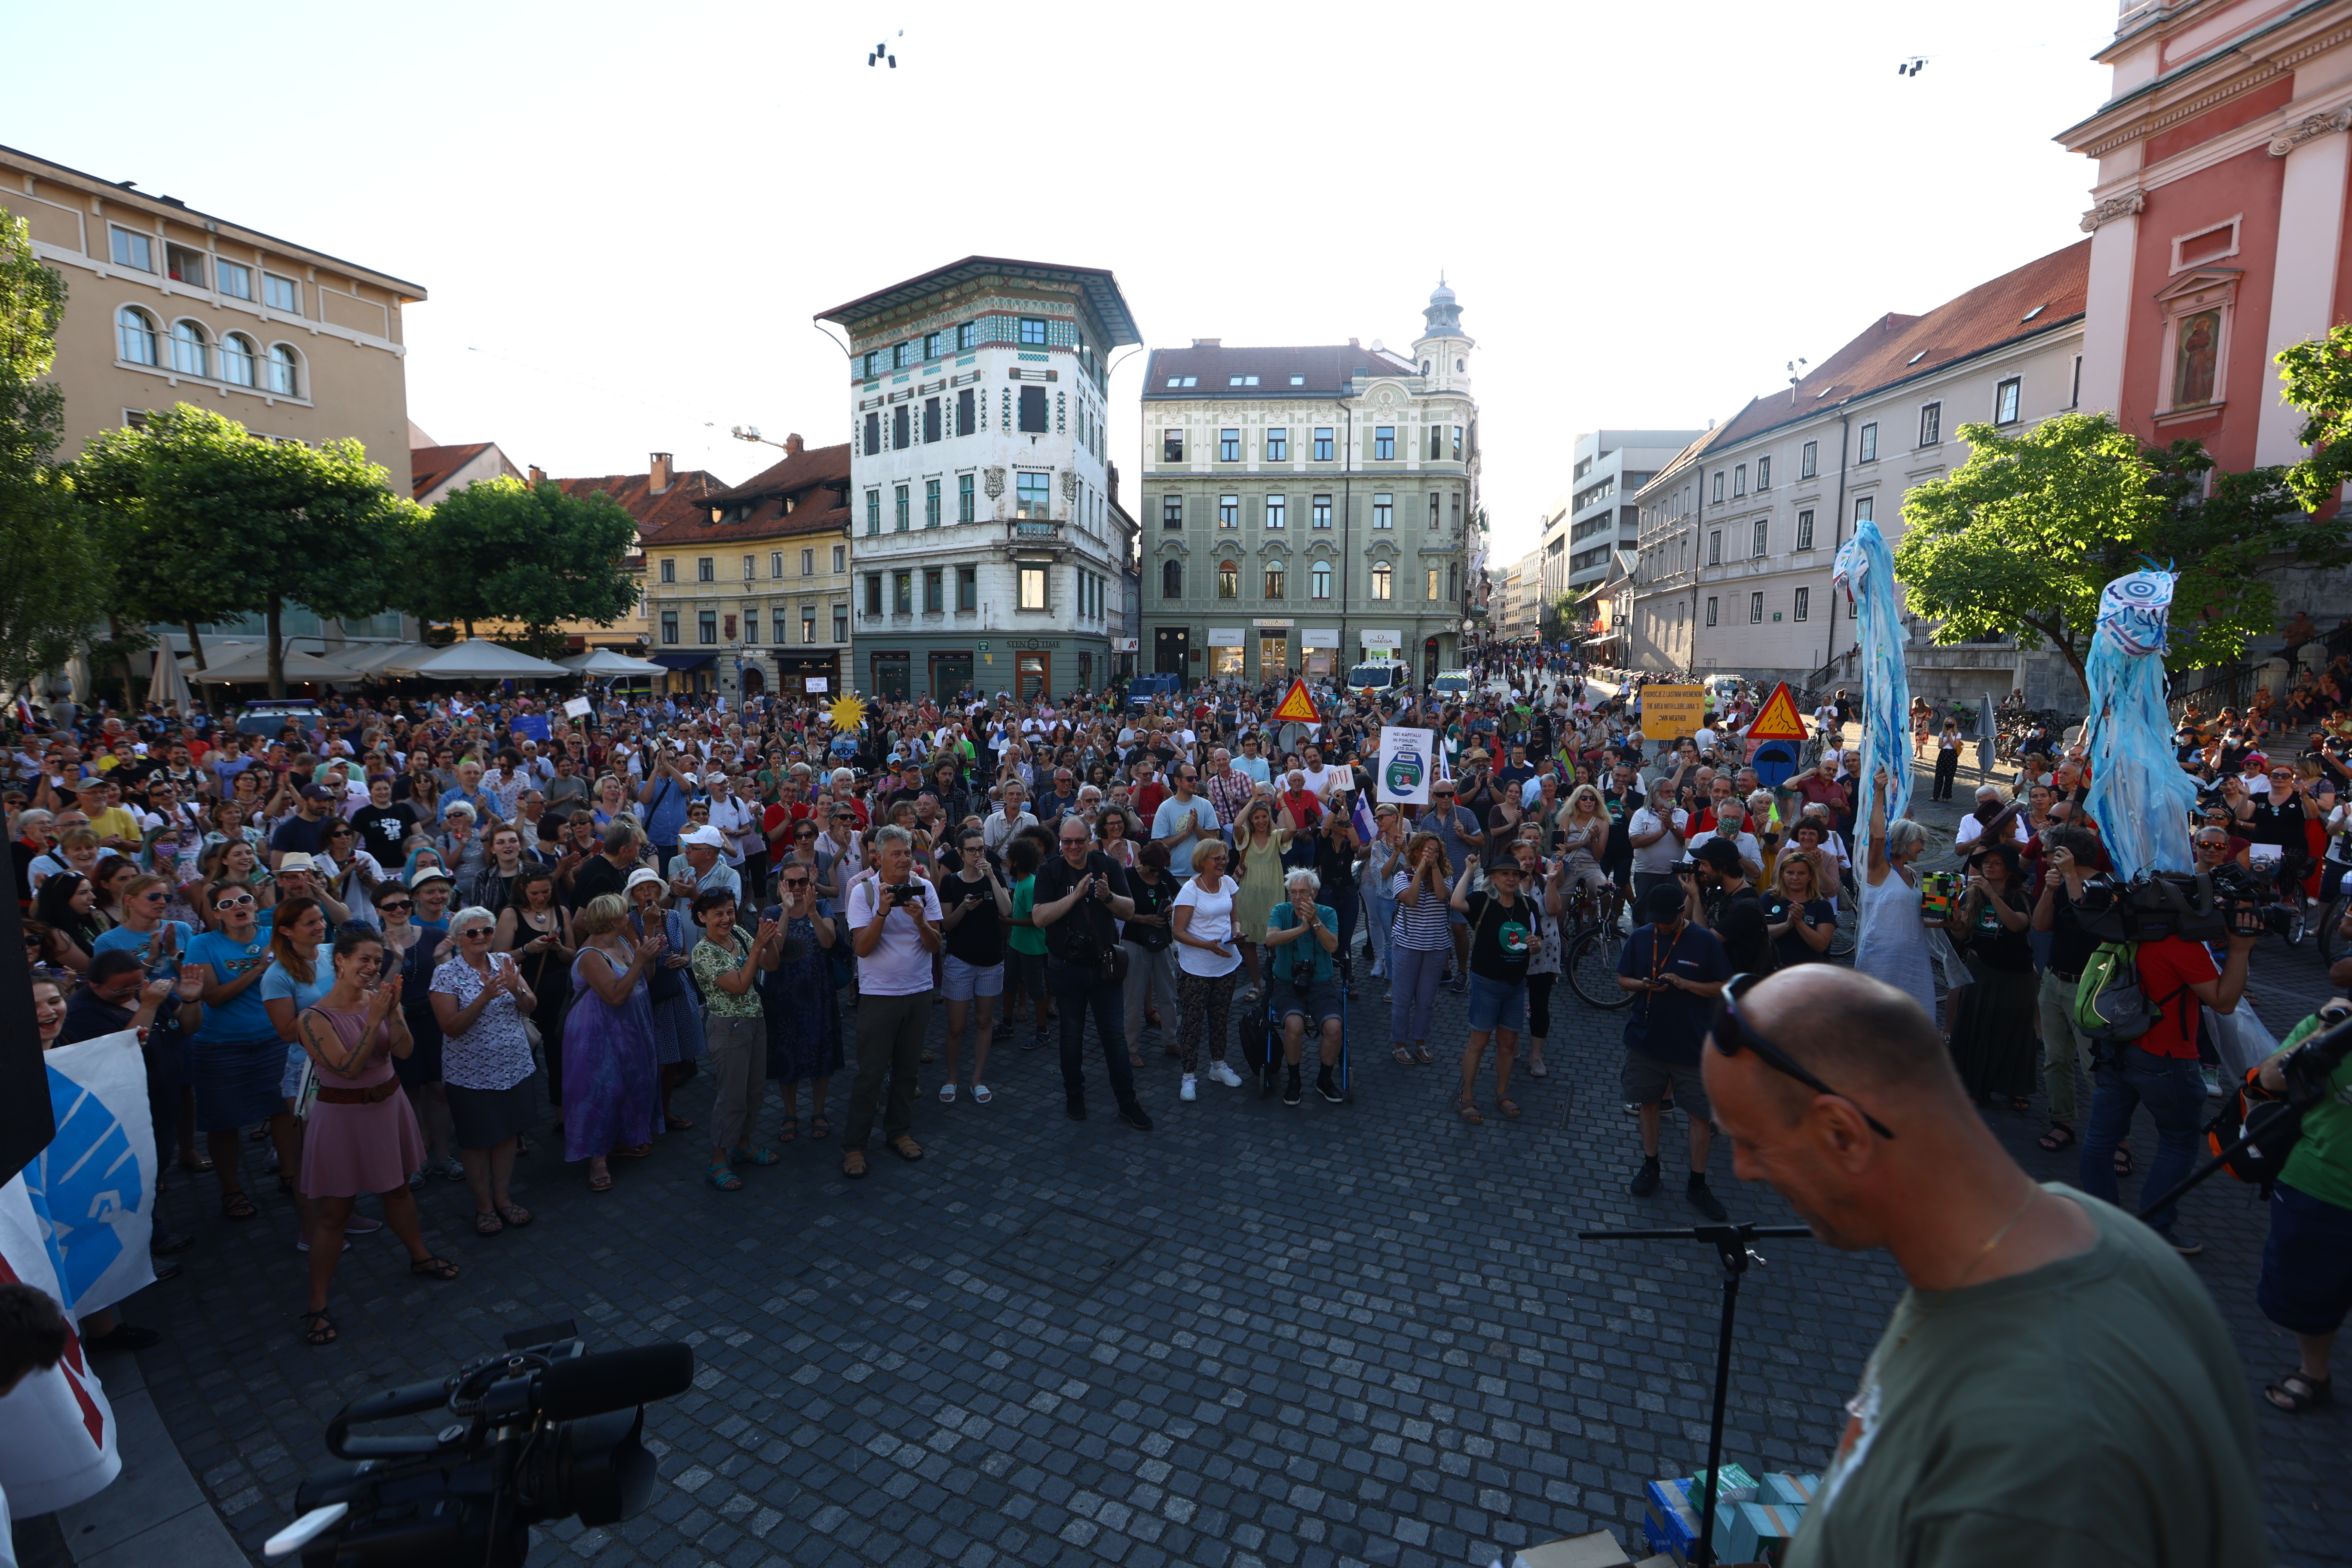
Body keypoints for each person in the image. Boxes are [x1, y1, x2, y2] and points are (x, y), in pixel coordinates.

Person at [1703, 965, 2268, 1568]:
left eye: (1751, 1143)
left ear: (1843, 1134)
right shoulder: (2089, 1236)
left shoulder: (2042, 1472)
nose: (1742, 1170)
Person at [292, 929, 457, 1345]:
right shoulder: (314, 1018)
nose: (370, 969)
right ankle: (317, 1304)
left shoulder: (379, 1003)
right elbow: (347, 1068)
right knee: (334, 1214)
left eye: (376, 962)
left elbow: (402, 1052)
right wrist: (373, 1020)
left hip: (387, 1108)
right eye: (363, 960)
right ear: (340, 962)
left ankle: (419, 1256)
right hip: (342, 1119)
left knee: (398, 1191)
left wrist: (394, 1012)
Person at [2078, 919, 2256, 1256]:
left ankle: (2100, 1226)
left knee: (2100, 1141)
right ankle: (2156, 1229)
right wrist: (2241, 950)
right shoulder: (2181, 947)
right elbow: (2224, 1001)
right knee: (2178, 1141)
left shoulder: (2122, 934)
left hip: (2114, 1050)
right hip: (2166, 1057)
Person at [2253, 981, 2352, 1413]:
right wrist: (2324, 1031)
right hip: (2320, 1188)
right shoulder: (2333, 1024)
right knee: (2309, 1298)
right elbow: (2270, 1079)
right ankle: (2315, 1373)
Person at [1615, 882, 1732, 1219]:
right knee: (1649, 1104)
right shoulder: (1641, 937)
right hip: (1646, 1041)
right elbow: (1623, 979)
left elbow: (1724, 985)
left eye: (1667, 921)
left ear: (1682, 913)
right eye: (1657, 921)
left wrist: (1686, 984)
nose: (1661, 926)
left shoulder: (1704, 941)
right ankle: (1651, 1165)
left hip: (1693, 1045)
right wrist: (1644, 985)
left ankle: (1698, 1183)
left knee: (1700, 1115)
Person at [187, 879, 299, 1223]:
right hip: (220, 1046)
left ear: (255, 904)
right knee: (224, 1123)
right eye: (226, 904)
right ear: (216, 914)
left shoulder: (275, 936)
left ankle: (292, 1177)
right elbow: (213, 997)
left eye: (245, 900)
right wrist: (259, 969)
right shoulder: (202, 944)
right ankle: (232, 1190)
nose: (238, 907)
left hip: (274, 1040)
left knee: (284, 1112)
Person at [1032, 816, 1152, 1129]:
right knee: (1071, 1037)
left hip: (1104, 967)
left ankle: (1128, 1102)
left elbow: (1128, 911)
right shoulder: (1050, 871)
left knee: (1115, 1038)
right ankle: (1075, 1094)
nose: (1074, 847)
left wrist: (1108, 897)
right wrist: (1074, 897)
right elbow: (1039, 918)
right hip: (1065, 968)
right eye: (1068, 842)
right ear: (1060, 841)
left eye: (1080, 841)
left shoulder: (1108, 866)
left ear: (1090, 839)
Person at [429, 905, 540, 1237]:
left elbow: (531, 1005)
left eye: (487, 931)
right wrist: (484, 998)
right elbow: (451, 1027)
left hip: (513, 1067)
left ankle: (503, 1199)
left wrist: (515, 989)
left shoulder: (504, 964)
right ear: (459, 938)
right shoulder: (446, 975)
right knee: (478, 1141)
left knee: (507, 1135)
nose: (481, 937)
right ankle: (484, 1207)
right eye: (473, 932)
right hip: (471, 1074)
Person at [842, 825, 941, 1178]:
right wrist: (883, 912)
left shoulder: (925, 888)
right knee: (870, 1073)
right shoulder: (863, 893)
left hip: (918, 991)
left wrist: (920, 923)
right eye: (896, 853)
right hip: (880, 995)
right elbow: (862, 949)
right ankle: (855, 1144)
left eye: (908, 852)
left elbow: (935, 946)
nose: (904, 859)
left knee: (907, 1070)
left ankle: (898, 1131)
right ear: (878, 858)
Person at [561, 892, 662, 1193]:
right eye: (625, 912)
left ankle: (626, 1139)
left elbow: (646, 979)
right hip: (597, 1034)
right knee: (601, 1091)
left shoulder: (620, 942)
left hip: (629, 1029)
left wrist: (648, 954)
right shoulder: (592, 954)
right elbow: (616, 996)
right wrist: (642, 959)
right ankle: (597, 1162)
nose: (629, 915)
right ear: (613, 919)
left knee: (632, 1084)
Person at [688, 888, 783, 1189]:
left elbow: (771, 966)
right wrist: (758, 947)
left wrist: (769, 943)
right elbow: (741, 985)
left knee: (753, 1093)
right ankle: (718, 1161)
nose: (727, 919)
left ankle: (743, 1145)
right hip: (728, 1027)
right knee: (731, 1097)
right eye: (718, 914)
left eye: (730, 911)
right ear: (702, 918)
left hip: (755, 1021)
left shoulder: (739, 934)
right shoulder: (703, 952)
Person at [1447, 848, 1541, 1123]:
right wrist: (1468, 871)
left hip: (1516, 985)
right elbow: (1455, 903)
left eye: (1515, 875)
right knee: (1479, 1042)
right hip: (1486, 982)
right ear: (1494, 879)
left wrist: (1536, 946)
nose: (1511, 879)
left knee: (1509, 1043)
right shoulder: (1482, 901)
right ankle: (1467, 1097)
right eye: (1505, 875)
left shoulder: (1528, 906)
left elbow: (1537, 944)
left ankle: (1501, 1093)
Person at [1943, 842, 2038, 1112]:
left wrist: (1993, 896)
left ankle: (2015, 1088)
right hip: (1982, 968)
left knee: (2014, 1032)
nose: (1989, 866)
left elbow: (2017, 924)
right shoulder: (1973, 896)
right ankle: (1974, 1086)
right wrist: (1957, 923)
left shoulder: (2021, 897)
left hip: (2015, 973)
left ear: (2009, 870)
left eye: (1997, 863)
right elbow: (1963, 935)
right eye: (1986, 862)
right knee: (1977, 1028)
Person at [756, 859, 842, 1138]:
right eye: (790, 883)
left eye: (802, 882)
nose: (796, 887)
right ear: (782, 885)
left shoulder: (821, 907)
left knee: (821, 1054)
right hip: (783, 997)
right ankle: (790, 1113)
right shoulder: (770, 912)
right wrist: (785, 910)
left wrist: (811, 913)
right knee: (787, 1057)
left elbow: (829, 942)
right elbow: (775, 951)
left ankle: (819, 1111)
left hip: (818, 993)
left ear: (810, 883)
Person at [625, 866, 704, 1130]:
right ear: (633, 896)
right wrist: (649, 923)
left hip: (677, 992)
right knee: (655, 1064)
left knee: (673, 1061)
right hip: (649, 996)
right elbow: (640, 962)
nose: (647, 893)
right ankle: (645, 1119)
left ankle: (665, 1112)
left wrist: (683, 959)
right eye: (641, 889)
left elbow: (686, 953)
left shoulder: (673, 917)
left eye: (652, 888)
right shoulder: (629, 921)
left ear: (660, 891)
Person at [1856, 768, 1936, 1021]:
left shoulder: (1913, 875)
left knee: (1914, 1018)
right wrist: (1879, 791)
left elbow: (1921, 917)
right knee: (1878, 1019)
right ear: (1904, 842)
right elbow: (1878, 835)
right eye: (1919, 842)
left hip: (1914, 955)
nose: (1923, 848)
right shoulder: (1879, 870)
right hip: (1882, 955)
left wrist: (1952, 920)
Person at [1170, 838, 1245, 1099]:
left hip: (1227, 963)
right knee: (1192, 1021)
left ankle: (1218, 1066)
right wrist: (1207, 946)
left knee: (1220, 1017)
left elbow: (1234, 917)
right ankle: (1188, 1077)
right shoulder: (1191, 890)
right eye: (1218, 859)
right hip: (1196, 968)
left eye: (1225, 857)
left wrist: (1236, 931)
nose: (1223, 863)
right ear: (1203, 861)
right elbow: (1177, 932)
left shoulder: (1229, 883)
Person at [937, 829, 1008, 1101]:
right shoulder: (951, 884)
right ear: (960, 853)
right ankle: (952, 1077)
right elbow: (946, 926)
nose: (978, 855)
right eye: (972, 850)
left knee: (984, 1022)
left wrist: (991, 876)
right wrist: (964, 908)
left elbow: (1007, 910)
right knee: (956, 1027)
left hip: (991, 961)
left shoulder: (994, 875)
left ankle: (977, 1079)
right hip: (960, 961)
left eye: (982, 849)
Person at [1386, 830, 1454, 1067]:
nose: (1432, 854)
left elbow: (1441, 895)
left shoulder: (1446, 875)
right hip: (1407, 946)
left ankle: (1420, 1043)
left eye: (1436, 851)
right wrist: (1419, 871)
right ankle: (1400, 1045)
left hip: (1436, 948)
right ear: (1415, 852)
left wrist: (1433, 868)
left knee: (1426, 1000)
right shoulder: (1402, 875)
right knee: (1403, 999)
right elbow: (1411, 900)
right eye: (1427, 850)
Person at [1120, 841, 1181, 1063]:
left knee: (1169, 994)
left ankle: (1171, 1040)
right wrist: (1141, 918)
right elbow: (1116, 908)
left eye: (1159, 870)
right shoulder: (1128, 876)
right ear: (1142, 862)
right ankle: (1131, 1048)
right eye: (1152, 869)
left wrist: (1175, 909)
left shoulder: (1164, 875)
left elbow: (1183, 898)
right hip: (1135, 940)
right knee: (1133, 998)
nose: (1155, 874)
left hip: (1162, 940)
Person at [1763, 847, 1835, 969]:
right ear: (1782, 874)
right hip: (1771, 969)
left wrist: (1799, 923)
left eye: (1801, 873)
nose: (1795, 878)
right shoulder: (1769, 898)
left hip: (1808, 973)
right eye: (1790, 873)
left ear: (1811, 876)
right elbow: (1759, 933)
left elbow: (1821, 945)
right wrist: (1787, 925)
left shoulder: (1822, 906)